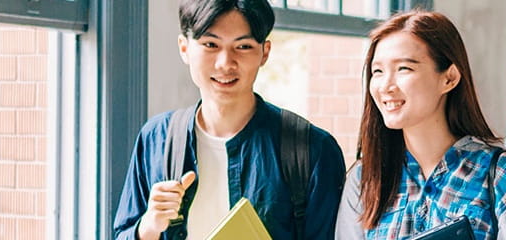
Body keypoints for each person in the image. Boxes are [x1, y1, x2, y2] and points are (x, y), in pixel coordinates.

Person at [109, 0, 346, 239]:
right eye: (210, 44)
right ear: (184, 48)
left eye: (243, 46)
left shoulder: (312, 150)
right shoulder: (156, 138)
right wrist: (148, 227)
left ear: (264, 53)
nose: (225, 63)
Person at [333, 10, 506, 240]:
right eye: (378, 71)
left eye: (404, 68)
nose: (386, 86)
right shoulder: (364, 179)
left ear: (449, 78)